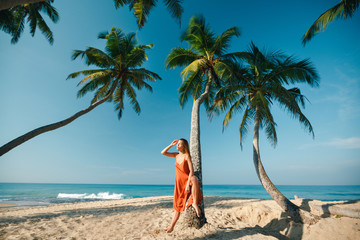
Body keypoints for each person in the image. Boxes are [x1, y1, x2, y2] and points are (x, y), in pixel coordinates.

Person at [161, 139, 202, 233]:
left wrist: (188, 184)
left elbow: (191, 171)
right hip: (179, 183)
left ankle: (195, 203)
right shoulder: (176, 155)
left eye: (180, 144)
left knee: (194, 179)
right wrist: (171, 144)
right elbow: (163, 152)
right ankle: (171, 226)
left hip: (187, 180)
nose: (178, 145)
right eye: (177, 144)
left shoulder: (187, 156)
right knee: (177, 207)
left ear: (184, 146)